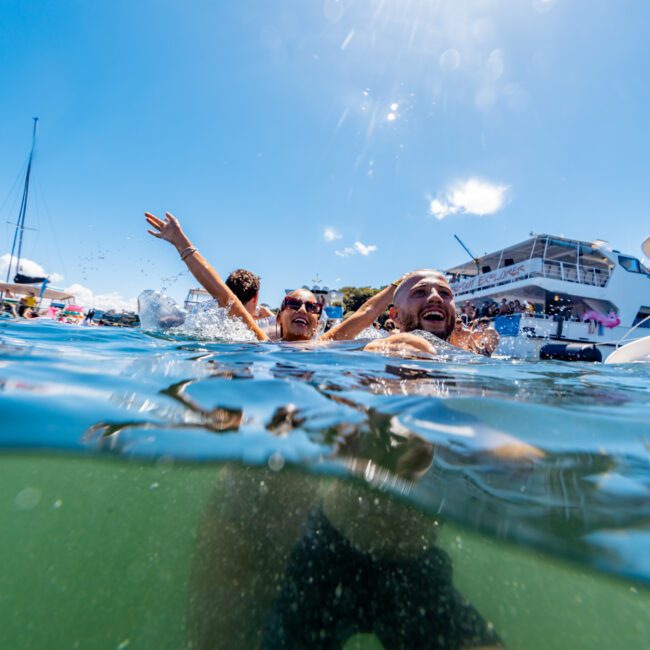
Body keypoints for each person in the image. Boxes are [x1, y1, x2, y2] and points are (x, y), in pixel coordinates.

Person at [364, 270, 499, 357]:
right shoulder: (382, 350)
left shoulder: (464, 357)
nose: (436, 297)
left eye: (445, 293)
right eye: (420, 292)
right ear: (395, 315)